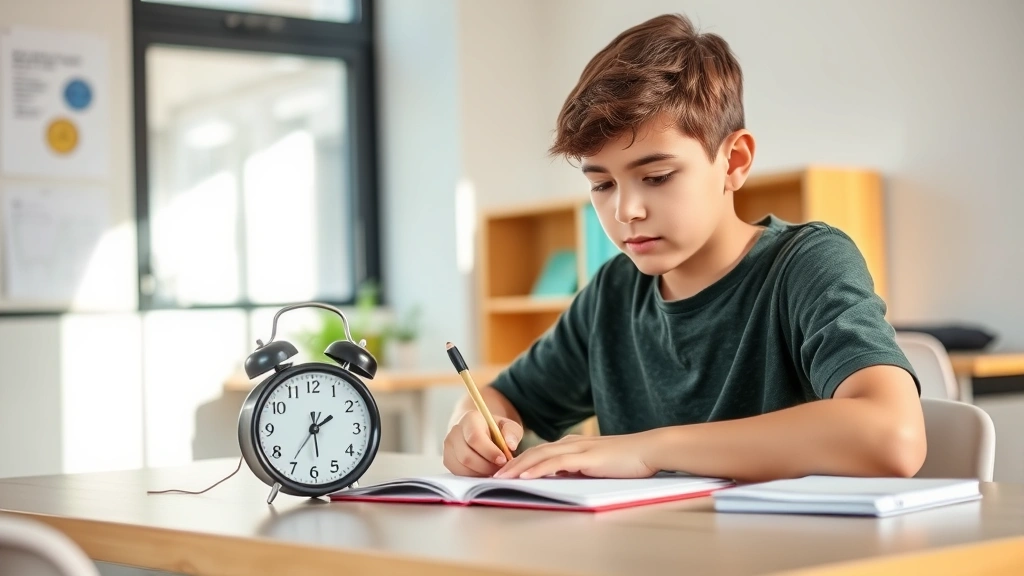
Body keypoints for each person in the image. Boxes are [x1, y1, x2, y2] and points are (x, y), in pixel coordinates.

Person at [443, 13, 926, 482]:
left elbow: (894, 435)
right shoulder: (614, 294)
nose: (626, 210)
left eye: (656, 177)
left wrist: (650, 449)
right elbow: (500, 399)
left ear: (734, 161)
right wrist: (469, 427)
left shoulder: (806, 264)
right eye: (603, 185)